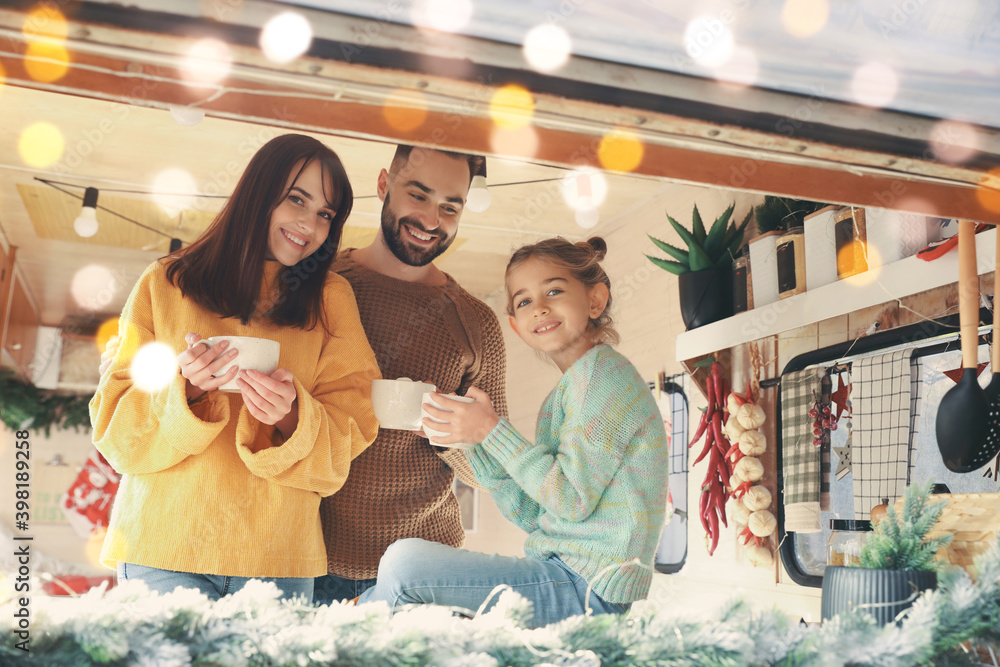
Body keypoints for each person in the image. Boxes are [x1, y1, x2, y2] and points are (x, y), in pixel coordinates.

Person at [90, 134, 381, 602]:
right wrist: (186, 393)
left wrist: (289, 416)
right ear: (258, 194)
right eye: (296, 199)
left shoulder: (332, 299)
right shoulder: (165, 283)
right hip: (161, 548)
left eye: (326, 214)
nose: (309, 224)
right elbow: (115, 431)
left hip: (278, 559)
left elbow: (354, 429)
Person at [357, 236, 670, 628]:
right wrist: (472, 442)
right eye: (523, 302)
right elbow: (536, 515)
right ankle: (347, 619)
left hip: (590, 590)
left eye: (554, 290)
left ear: (595, 300)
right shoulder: (566, 394)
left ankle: (336, 623)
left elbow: (570, 499)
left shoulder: (605, 380)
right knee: (403, 570)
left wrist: (491, 429)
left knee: (404, 565)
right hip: (566, 576)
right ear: (516, 326)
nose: (539, 307)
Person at [313, 144, 508, 604]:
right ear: (384, 185)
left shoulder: (476, 322)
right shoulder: (315, 287)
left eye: (449, 207)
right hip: (306, 557)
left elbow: (495, 472)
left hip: (424, 569)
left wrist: (451, 433)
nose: (430, 220)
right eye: (418, 195)